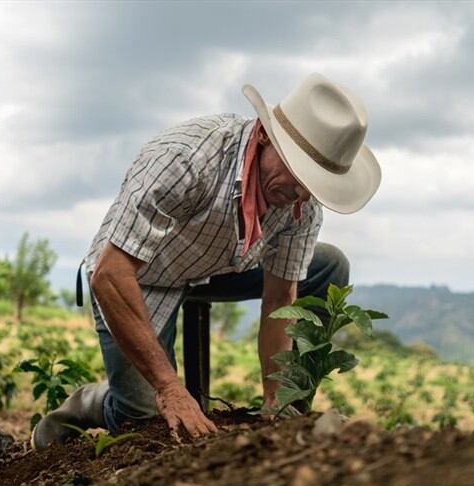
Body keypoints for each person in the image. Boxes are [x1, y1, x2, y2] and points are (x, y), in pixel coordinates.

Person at [32, 73, 382, 448]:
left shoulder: (300, 203)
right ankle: (92, 401)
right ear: (265, 137)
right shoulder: (186, 159)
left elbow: (281, 300)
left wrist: (276, 404)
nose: (301, 195)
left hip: (219, 265)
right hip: (141, 274)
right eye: (298, 175)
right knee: (145, 418)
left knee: (329, 265)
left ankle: (292, 410)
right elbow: (111, 273)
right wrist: (169, 387)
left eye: (312, 185)